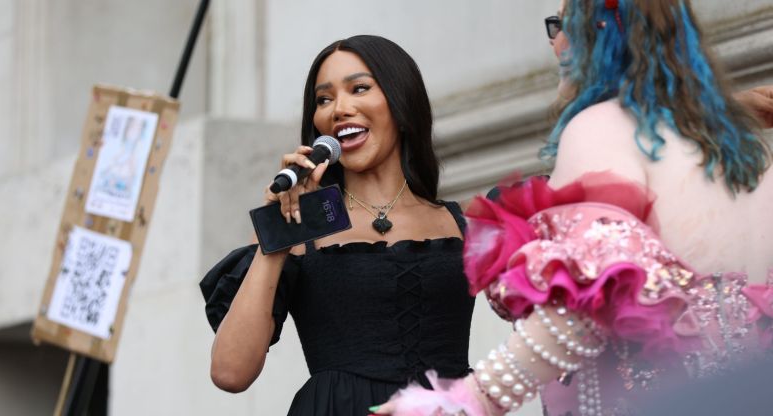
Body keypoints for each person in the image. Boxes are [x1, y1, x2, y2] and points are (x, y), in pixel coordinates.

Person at [377, 1, 773, 415]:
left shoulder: (601, 126)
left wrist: (468, 400)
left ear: (602, 28)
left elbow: (583, 307)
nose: (555, 43)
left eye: (563, 25)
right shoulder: (748, 155)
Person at [199, 35, 475, 415]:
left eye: (359, 89)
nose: (339, 109)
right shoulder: (297, 233)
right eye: (324, 99)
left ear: (400, 101)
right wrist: (279, 235)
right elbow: (230, 372)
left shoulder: (464, 224)